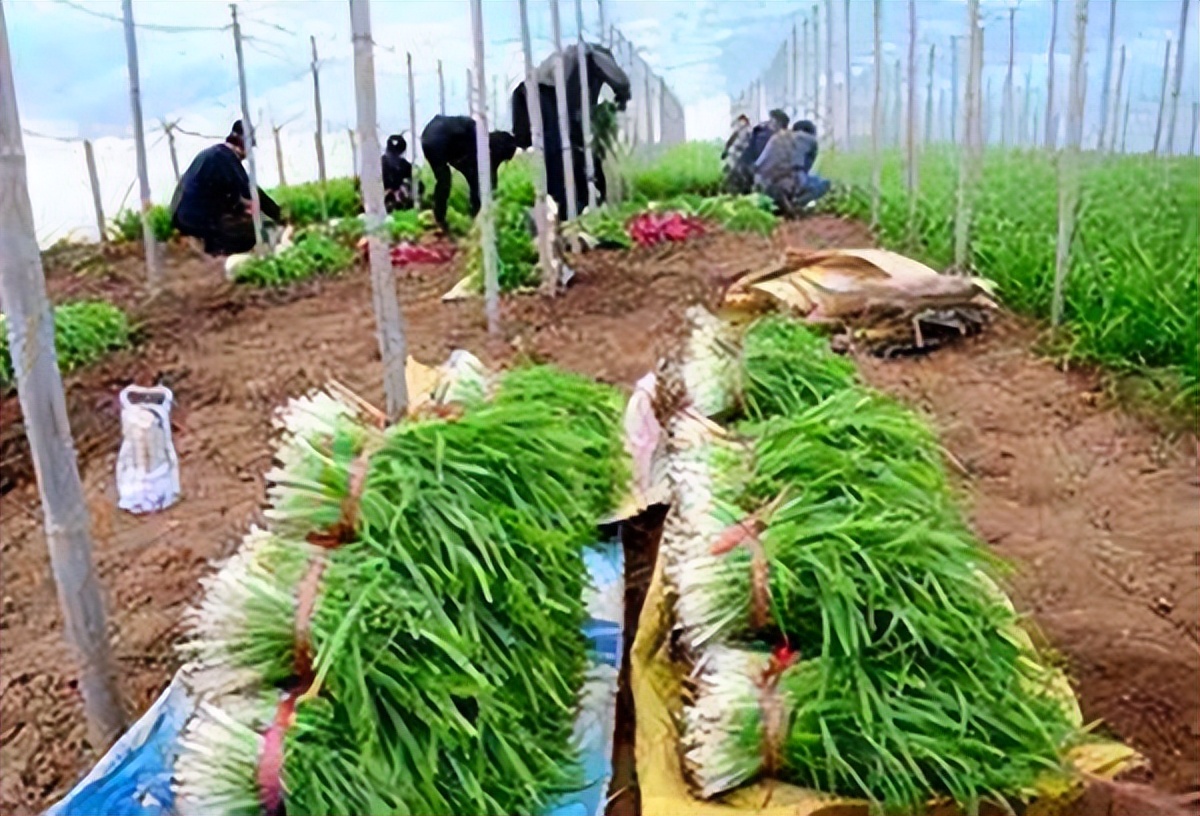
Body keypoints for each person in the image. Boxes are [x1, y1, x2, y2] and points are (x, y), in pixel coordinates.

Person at [511, 42, 631, 217]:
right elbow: (615, 77)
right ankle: (566, 205)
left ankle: (575, 201)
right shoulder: (589, 55)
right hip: (537, 92)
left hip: (539, 95)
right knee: (558, 147)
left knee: (569, 146)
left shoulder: (583, 69)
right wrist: (623, 93)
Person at [169, 120, 282, 256]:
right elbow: (252, 192)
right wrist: (278, 214)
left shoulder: (213, 154)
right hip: (195, 220)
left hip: (180, 216)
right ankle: (214, 248)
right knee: (258, 232)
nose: (246, 155)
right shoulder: (226, 157)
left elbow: (229, 196)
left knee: (240, 218)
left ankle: (207, 242)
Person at [420, 115, 518, 232]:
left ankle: (441, 218)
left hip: (430, 138)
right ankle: (443, 219)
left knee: (444, 180)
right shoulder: (478, 139)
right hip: (440, 141)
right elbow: (481, 173)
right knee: (447, 180)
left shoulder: (474, 136)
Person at [753, 119, 830, 217]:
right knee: (823, 183)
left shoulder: (777, 136)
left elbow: (759, 163)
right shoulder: (810, 140)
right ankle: (796, 202)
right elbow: (806, 168)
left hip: (762, 181)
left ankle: (777, 201)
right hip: (787, 180)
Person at [725, 109, 789, 195]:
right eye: (771, 120)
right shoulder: (766, 135)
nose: (769, 123)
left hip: (747, 171)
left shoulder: (763, 132)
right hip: (750, 172)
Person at [381, 134, 424, 212]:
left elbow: (419, 185)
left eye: (397, 154)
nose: (395, 157)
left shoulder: (405, 166)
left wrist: (404, 189)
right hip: (381, 202)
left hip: (401, 203)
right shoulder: (377, 165)